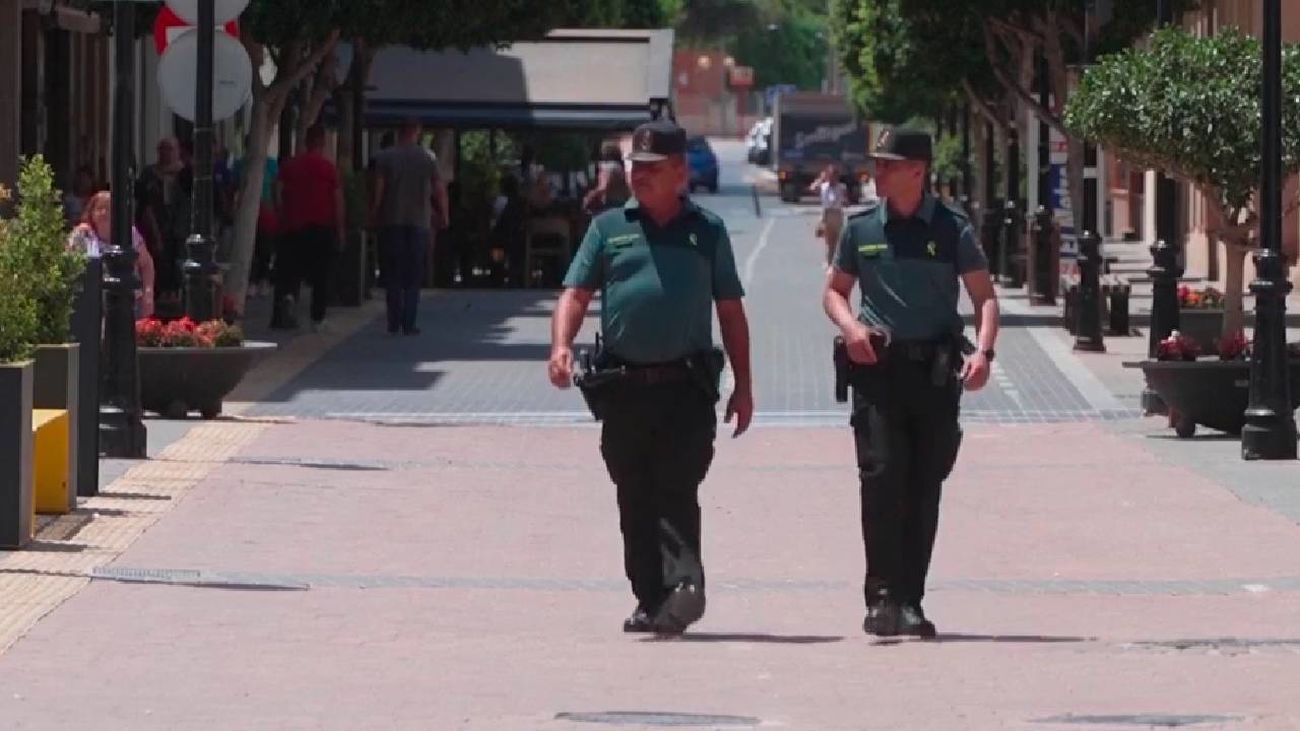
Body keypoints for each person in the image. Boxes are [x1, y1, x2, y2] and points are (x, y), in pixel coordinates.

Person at [548, 119, 754, 636]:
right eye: (633, 167)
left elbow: (730, 310)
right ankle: (650, 597)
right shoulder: (608, 228)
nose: (637, 176)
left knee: (677, 486)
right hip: (623, 388)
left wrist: (745, 387)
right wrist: (560, 346)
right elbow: (575, 293)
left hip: (685, 388)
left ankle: (686, 585)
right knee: (633, 493)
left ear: (680, 172)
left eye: (650, 168)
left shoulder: (707, 231)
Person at [822, 128, 999, 638]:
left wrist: (984, 354)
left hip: (934, 377)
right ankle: (881, 600)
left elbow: (984, 298)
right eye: (876, 163)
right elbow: (834, 292)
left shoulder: (952, 229)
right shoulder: (861, 229)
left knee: (923, 487)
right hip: (878, 373)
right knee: (881, 480)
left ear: (917, 171)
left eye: (887, 164)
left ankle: (911, 600)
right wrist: (851, 326)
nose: (876, 173)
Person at [370, 119, 448, 335]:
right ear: (417, 132)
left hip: (391, 219)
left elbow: (379, 188)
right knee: (413, 275)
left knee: (393, 273)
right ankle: (409, 322)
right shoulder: (428, 158)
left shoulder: (385, 157)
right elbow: (439, 188)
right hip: (418, 221)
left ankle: (393, 321)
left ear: (399, 132)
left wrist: (375, 211)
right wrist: (443, 214)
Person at [275, 123, 345, 332]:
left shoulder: (290, 166)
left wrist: (282, 214)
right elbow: (338, 200)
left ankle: (289, 296)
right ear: (322, 142)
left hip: (293, 225)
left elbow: (277, 191)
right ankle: (317, 318)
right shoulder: (328, 168)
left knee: (291, 269)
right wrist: (340, 229)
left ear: (306, 141)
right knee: (321, 275)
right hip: (321, 226)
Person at [69, 190, 156, 318]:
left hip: (129, 302)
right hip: (93, 305)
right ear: (92, 213)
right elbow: (66, 263)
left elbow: (146, 264)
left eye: (109, 209)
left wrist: (148, 294)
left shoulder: (130, 234)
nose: (104, 213)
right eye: (100, 208)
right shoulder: (83, 235)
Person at [810, 164, 849, 264]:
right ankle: (829, 263)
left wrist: (844, 201)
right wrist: (820, 179)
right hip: (826, 214)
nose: (832, 178)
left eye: (834, 176)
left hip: (837, 214)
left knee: (839, 241)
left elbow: (846, 202)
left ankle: (838, 263)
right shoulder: (823, 186)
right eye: (830, 176)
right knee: (829, 242)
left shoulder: (842, 187)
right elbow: (812, 188)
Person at [582, 142, 631, 215]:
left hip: (611, 204)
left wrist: (589, 198)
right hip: (621, 202)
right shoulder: (620, 168)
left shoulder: (609, 167)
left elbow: (603, 186)